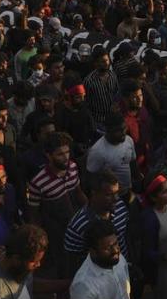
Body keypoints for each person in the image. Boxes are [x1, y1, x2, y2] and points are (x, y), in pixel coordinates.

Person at [24, 131, 84, 281]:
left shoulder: (73, 168)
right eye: (60, 154)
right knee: (64, 268)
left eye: (67, 152)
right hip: (57, 234)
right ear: (48, 156)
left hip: (77, 226)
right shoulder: (38, 182)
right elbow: (34, 213)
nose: (65, 157)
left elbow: (78, 194)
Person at [64, 170, 130, 269]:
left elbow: (125, 237)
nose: (116, 198)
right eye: (109, 195)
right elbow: (73, 261)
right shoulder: (77, 226)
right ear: (94, 194)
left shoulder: (120, 207)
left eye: (117, 193)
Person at [87, 112, 138, 197]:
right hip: (111, 198)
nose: (123, 133)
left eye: (124, 128)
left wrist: (137, 180)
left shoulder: (128, 140)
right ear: (108, 130)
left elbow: (132, 163)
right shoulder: (97, 151)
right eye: (118, 130)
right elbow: (91, 178)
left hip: (128, 191)